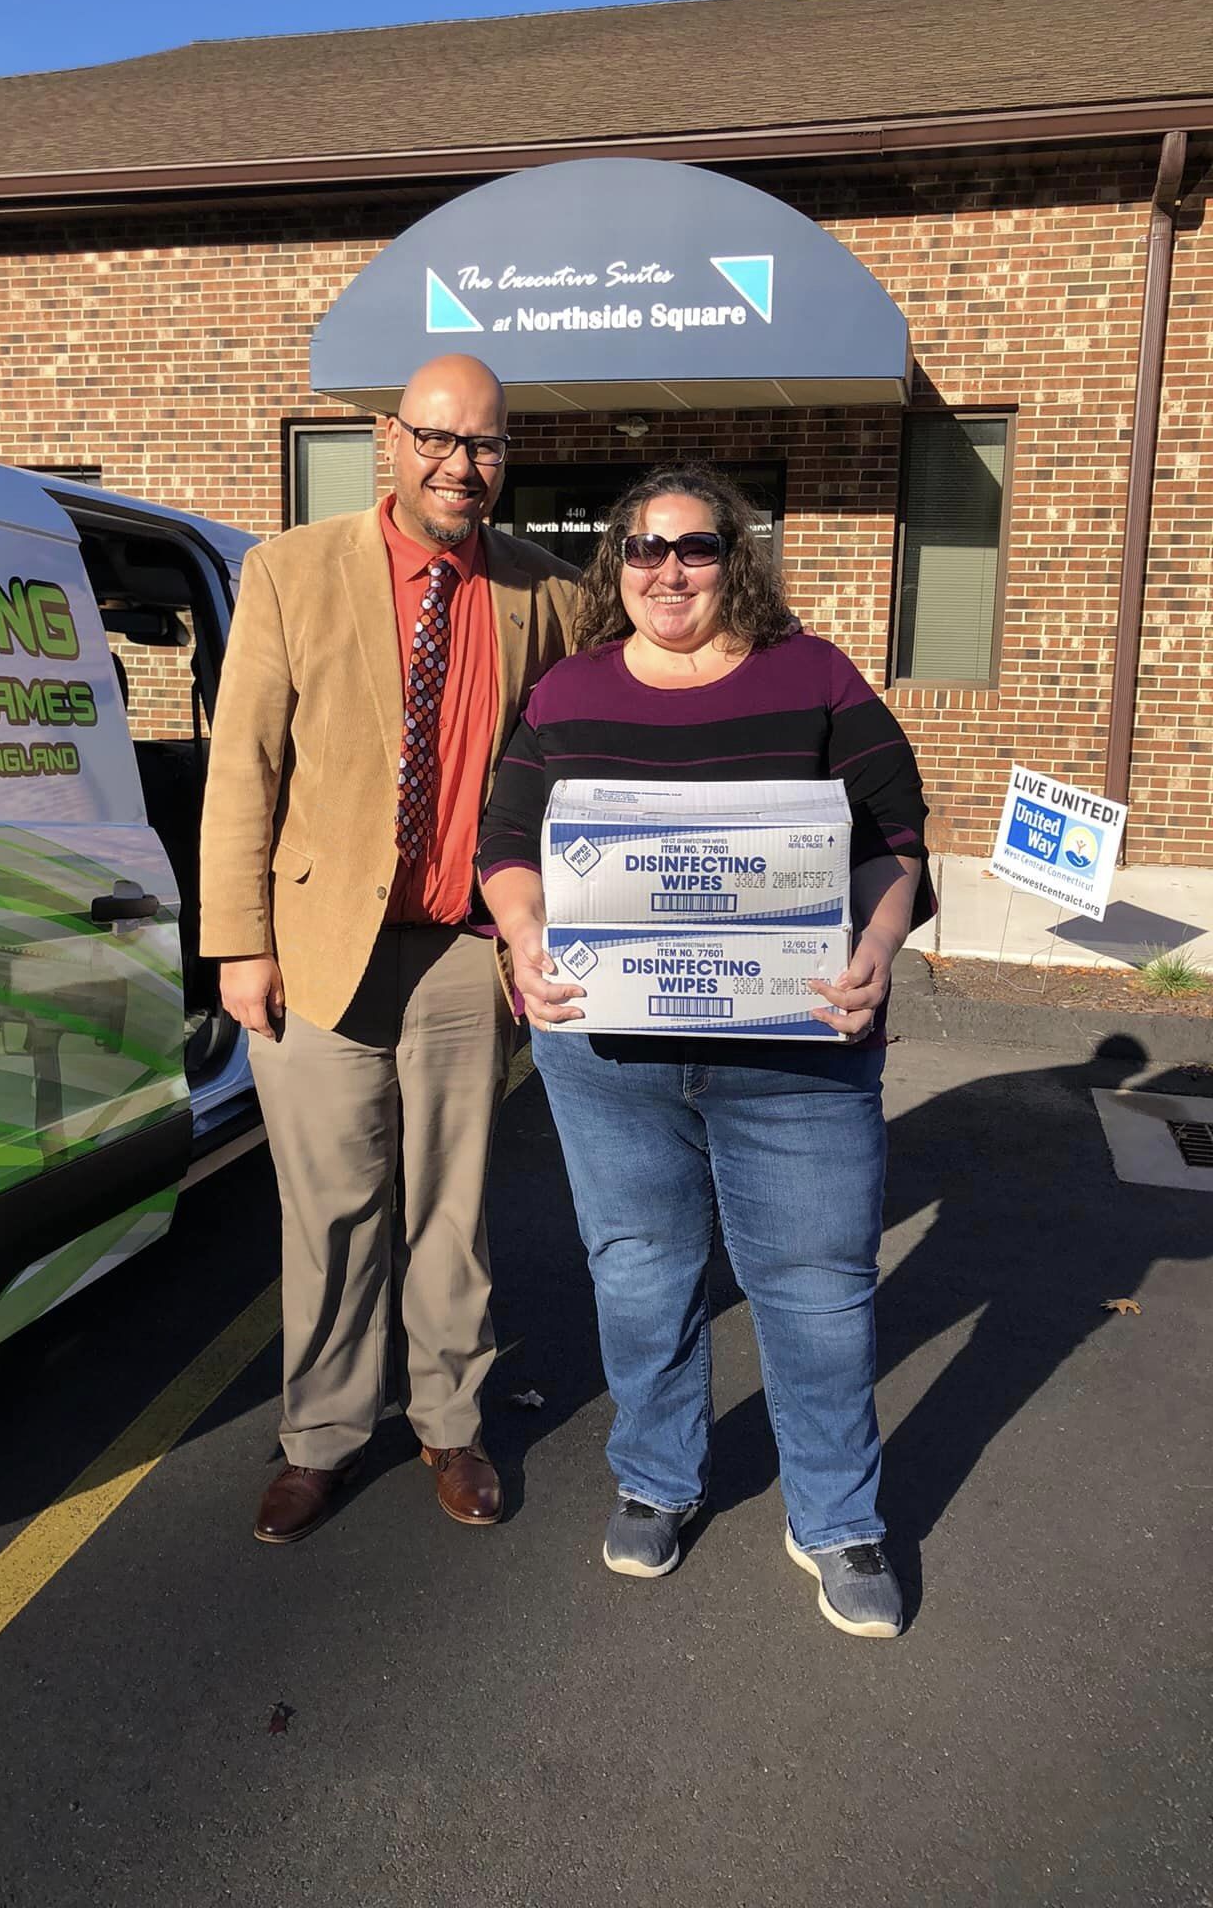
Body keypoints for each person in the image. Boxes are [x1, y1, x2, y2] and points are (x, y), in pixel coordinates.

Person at [477, 461, 932, 1637]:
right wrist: (526, 937)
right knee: (637, 1271)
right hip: (612, 1055)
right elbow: (510, 837)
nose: (667, 569)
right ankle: (658, 1476)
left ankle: (836, 1516)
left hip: (798, 1051)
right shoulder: (567, 691)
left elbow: (893, 831)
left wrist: (880, 939)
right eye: (642, 547)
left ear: (737, 556)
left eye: (694, 546)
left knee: (820, 1289)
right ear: (614, 565)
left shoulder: (814, 673)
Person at [200, 353, 580, 1545]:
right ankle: (320, 1435)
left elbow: (613, 735)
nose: (461, 465)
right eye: (437, 437)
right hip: (316, 947)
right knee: (331, 1211)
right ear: (389, 437)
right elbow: (242, 768)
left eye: (485, 444)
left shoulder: (550, 596)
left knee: (454, 1207)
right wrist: (237, 943)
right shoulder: (290, 572)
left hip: (469, 952)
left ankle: (451, 1422)